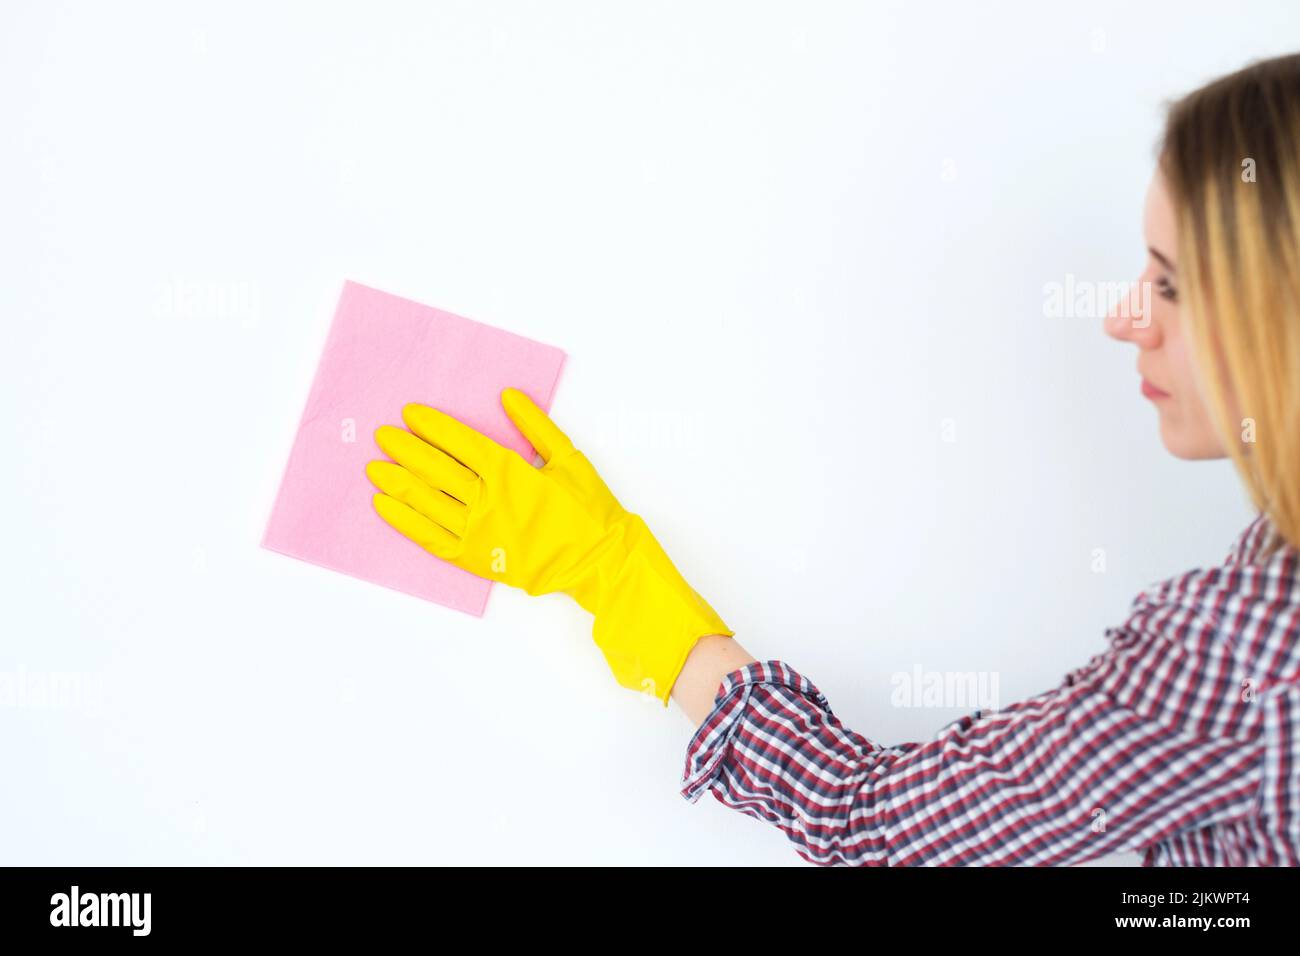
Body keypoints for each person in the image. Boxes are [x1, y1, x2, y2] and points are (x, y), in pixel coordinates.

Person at [364, 53, 1300, 866]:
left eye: (1170, 284)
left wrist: (612, 575)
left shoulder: (1243, 650)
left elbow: (869, 825)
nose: (1123, 317)